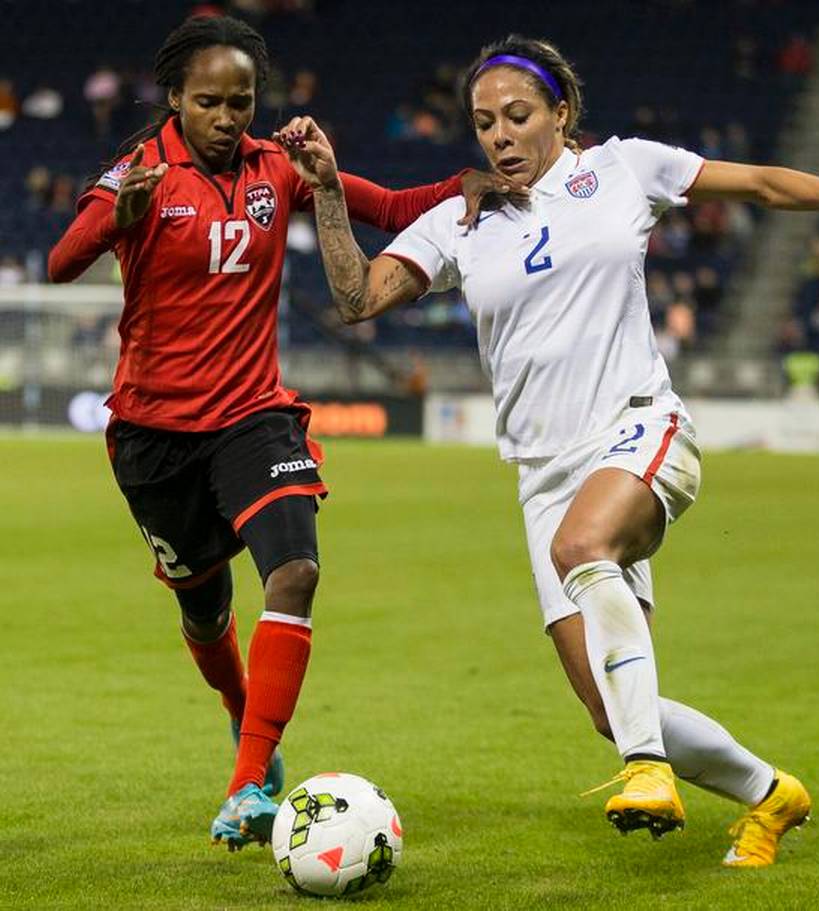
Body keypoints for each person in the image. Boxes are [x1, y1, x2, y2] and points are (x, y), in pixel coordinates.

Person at [278, 35, 819, 867]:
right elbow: (357, 295)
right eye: (484, 124)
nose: (501, 136)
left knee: (584, 552)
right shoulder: (461, 220)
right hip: (544, 475)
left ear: (562, 114)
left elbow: (762, 183)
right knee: (616, 701)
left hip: (639, 427)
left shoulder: (626, 169)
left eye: (518, 116)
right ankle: (772, 794)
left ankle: (647, 769)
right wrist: (329, 193)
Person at [47, 14, 518, 851]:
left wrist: (461, 185)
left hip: (253, 415)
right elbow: (61, 262)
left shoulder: (278, 166)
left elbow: (385, 206)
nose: (230, 117)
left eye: (242, 100)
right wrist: (116, 215)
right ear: (175, 102)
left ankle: (247, 784)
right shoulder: (142, 168)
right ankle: (244, 720)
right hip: (153, 437)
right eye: (210, 103)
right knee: (204, 611)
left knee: (295, 570)